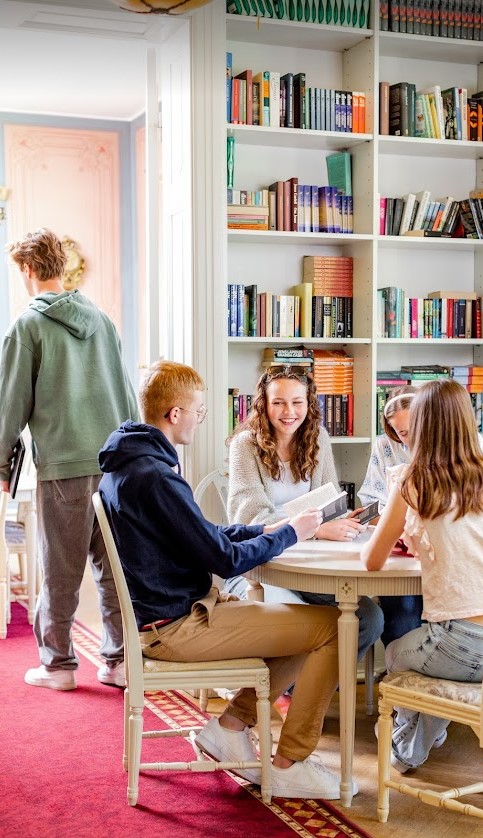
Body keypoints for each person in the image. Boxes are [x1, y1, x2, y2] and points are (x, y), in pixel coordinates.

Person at [98, 360, 357, 800]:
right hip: (178, 627)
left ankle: (231, 726)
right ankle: (288, 764)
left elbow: (207, 535)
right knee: (334, 627)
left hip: (169, 618)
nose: (201, 420)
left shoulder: (133, 464)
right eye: (198, 411)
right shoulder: (156, 477)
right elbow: (223, 558)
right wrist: (294, 531)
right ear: (175, 414)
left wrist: (268, 530)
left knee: (309, 623)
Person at [361, 379, 483, 773]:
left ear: (421, 426)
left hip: (463, 645)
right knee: (433, 650)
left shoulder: (412, 481)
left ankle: (408, 747)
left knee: (395, 654)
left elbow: (372, 561)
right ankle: (424, 730)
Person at [0, 228, 138, 691]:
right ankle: (118, 662)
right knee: (113, 568)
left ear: (29, 269)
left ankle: (58, 666)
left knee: (61, 569)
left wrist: (1, 466)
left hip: (64, 467)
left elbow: (8, 407)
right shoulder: (102, 320)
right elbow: (125, 392)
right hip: (118, 465)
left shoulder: (28, 326)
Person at [225, 365, 384, 660]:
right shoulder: (244, 446)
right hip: (261, 568)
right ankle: (298, 688)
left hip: (311, 564)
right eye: (278, 402)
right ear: (263, 404)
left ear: (309, 404)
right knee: (294, 620)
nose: (289, 411)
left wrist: (344, 518)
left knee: (370, 618)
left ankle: (309, 687)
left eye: (297, 402)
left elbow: (329, 502)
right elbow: (250, 519)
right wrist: (315, 529)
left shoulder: (317, 438)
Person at [358, 386, 424, 650]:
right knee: (402, 613)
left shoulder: (460, 443)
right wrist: (396, 523)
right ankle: (400, 673)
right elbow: (371, 504)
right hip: (400, 547)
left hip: (441, 553)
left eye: (414, 428)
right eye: (401, 433)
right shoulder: (385, 447)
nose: (409, 439)